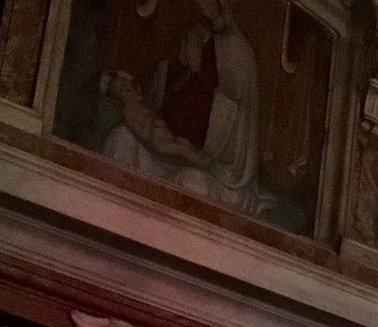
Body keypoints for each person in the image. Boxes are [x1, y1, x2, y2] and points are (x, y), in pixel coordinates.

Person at [98, 0, 275, 216]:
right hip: (165, 159)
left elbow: (235, 104)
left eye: (207, 2)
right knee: (121, 139)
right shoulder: (180, 66)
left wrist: (200, 74)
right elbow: (160, 113)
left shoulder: (234, 49)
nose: (202, 6)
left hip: (217, 170)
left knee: (192, 180)